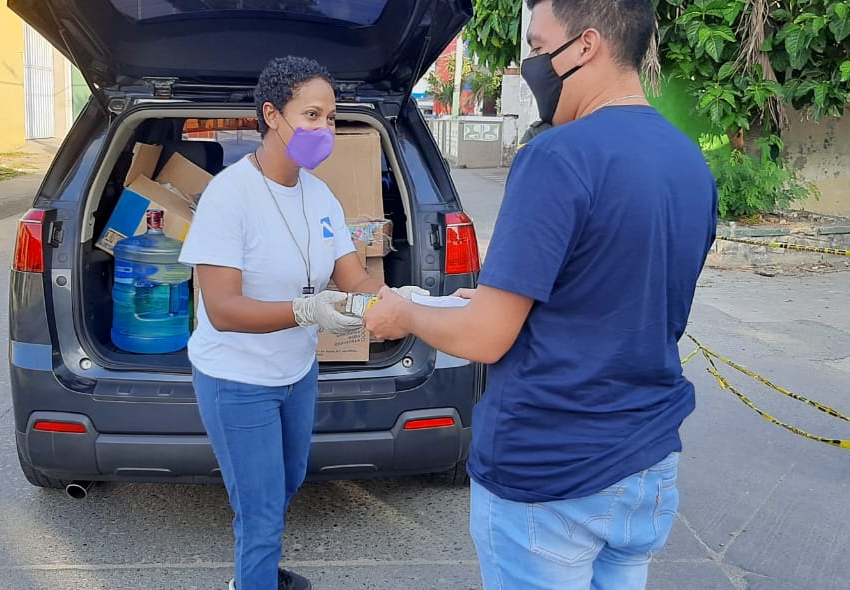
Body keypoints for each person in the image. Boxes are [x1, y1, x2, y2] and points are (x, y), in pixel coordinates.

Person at [362, 0, 718, 587]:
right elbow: (612, 299)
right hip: (647, 461)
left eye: (536, 46)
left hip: (551, 471)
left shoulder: (556, 158)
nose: (531, 64)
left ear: (586, 45)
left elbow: (486, 337)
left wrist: (405, 310)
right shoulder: (688, 162)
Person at [178, 56, 423, 590]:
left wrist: (406, 303)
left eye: (331, 118)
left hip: (296, 374)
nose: (324, 129)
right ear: (272, 115)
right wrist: (306, 311)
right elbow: (221, 309)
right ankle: (255, 577)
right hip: (237, 380)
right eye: (311, 115)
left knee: (285, 484)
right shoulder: (229, 196)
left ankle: (256, 572)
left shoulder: (320, 196)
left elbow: (355, 279)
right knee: (261, 514)